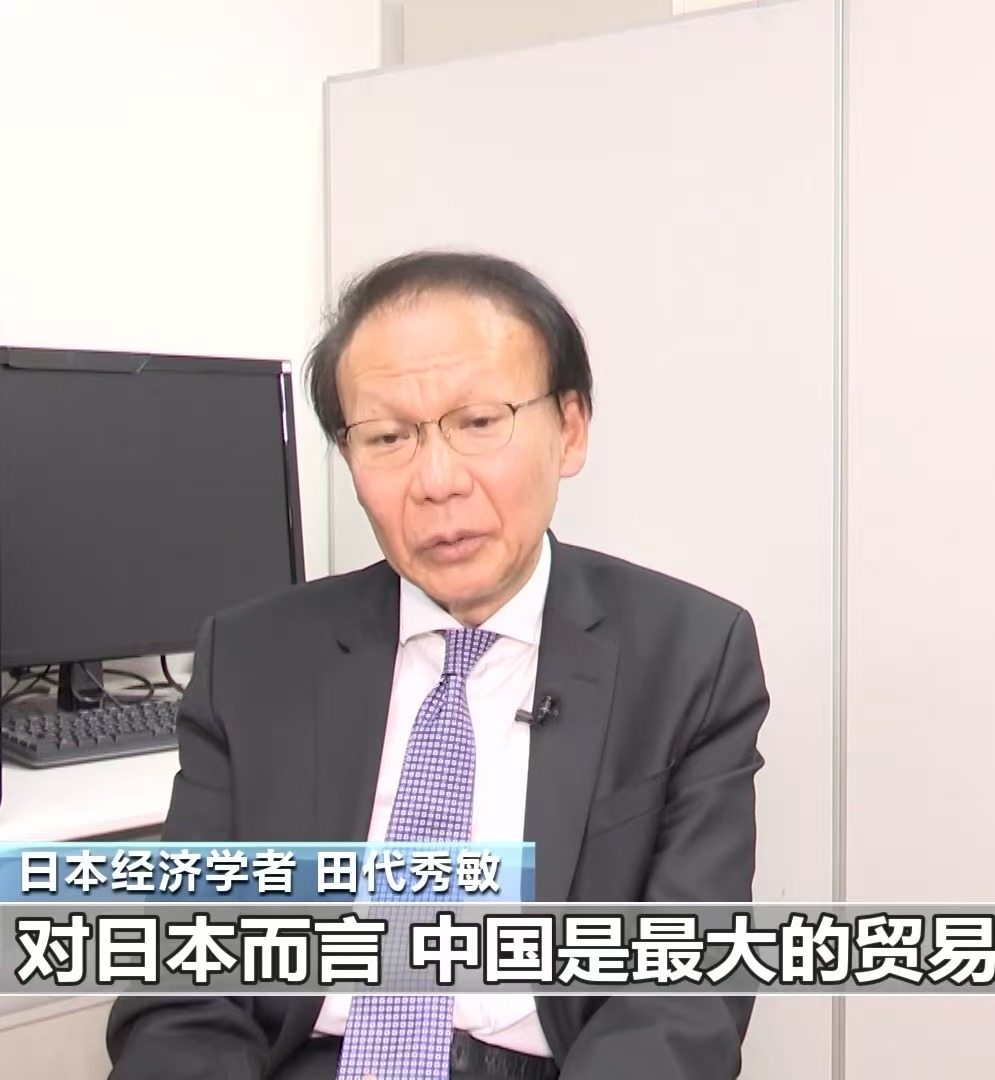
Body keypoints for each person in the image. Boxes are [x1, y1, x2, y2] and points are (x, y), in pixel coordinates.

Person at [106, 250, 770, 1080]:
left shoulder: (689, 655)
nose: (436, 482)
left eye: (479, 422)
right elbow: (182, 986)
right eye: (388, 438)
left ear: (569, 428)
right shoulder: (254, 659)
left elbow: (682, 997)